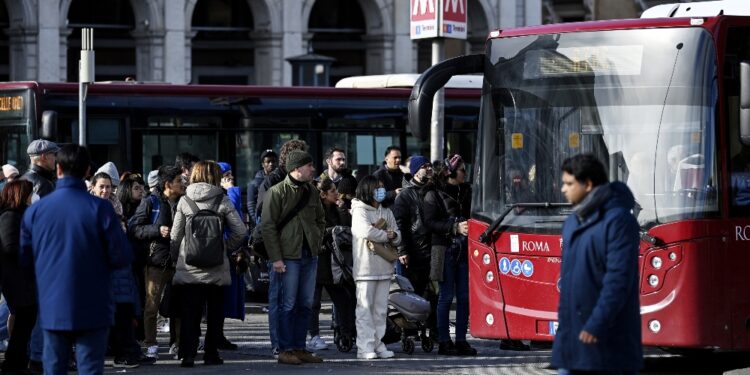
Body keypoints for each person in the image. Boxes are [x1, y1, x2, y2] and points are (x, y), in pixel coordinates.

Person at [20, 144, 133, 375]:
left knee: (53, 367)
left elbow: (25, 258)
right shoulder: (101, 209)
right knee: (90, 367)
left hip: (52, 302)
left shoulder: (36, 211)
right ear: (87, 172)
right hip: (94, 302)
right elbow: (121, 256)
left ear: (58, 169)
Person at [552, 154, 642, 374]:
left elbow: (617, 281)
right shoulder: (573, 221)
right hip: (572, 344)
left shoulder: (619, 220)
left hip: (608, 342)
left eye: (569, 183)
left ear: (588, 184)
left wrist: (596, 324)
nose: (563, 189)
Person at [170, 160, 246, 367]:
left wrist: (177, 256)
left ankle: (187, 354)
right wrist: (224, 248)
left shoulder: (185, 200)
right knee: (215, 313)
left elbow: (175, 236)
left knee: (190, 313)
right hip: (216, 266)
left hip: (190, 267)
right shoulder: (222, 199)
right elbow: (240, 231)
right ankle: (211, 354)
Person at [261, 150, 325, 365]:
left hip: (309, 254)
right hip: (287, 256)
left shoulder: (312, 191)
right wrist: (276, 258)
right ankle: (284, 348)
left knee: (305, 303)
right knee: (286, 304)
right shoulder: (276, 192)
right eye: (309, 166)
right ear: (297, 168)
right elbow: (267, 228)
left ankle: (299, 347)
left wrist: (316, 241)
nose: (313, 169)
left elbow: (320, 220)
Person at [255, 139, 307, 358]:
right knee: (278, 299)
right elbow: (262, 213)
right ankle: (279, 345)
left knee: (298, 300)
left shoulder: (306, 181)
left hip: (301, 247)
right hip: (279, 247)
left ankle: (295, 344)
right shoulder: (272, 181)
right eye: (302, 156)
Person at [129, 165, 185, 361]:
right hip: (155, 261)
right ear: (168, 184)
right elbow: (134, 228)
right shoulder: (151, 201)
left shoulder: (184, 201)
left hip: (179, 260)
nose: (182, 183)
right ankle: (151, 343)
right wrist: (156, 230)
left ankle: (177, 343)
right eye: (179, 181)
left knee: (178, 305)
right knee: (152, 305)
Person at [424, 155, 476, 356]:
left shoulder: (467, 190)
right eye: (463, 169)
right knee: (445, 296)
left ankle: (461, 339)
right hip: (445, 250)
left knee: (464, 297)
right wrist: (454, 227)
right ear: (451, 173)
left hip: (464, 250)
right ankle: (444, 341)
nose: (465, 173)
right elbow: (429, 223)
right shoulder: (432, 194)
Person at [351, 175, 401, 360]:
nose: (381, 191)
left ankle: (379, 345)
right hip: (366, 269)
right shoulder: (359, 211)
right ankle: (364, 347)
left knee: (380, 310)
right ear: (368, 189)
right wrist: (387, 235)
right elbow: (364, 231)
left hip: (384, 267)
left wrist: (393, 235)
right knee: (365, 309)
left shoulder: (386, 210)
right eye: (377, 188)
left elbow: (397, 233)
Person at [306, 178, 354, 352]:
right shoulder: (315, 209)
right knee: (314, 301)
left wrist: (342, 209)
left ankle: (346, 333)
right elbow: (316, 231)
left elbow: (346, 228)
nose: (337, 193)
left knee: (343, 299)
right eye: (333, 191)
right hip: (319, 260)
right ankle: (314, 335)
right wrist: (331, 232)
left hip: (335, 263)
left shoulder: (336, 208)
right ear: (323, 194)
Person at [392, 155, 437, 334]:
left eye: (429, 165)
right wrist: (402, 250)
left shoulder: (433, 190)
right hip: (414, 251)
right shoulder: (405, 195)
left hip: (432, 250)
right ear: (415, 171)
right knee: (413, 293)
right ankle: (411, 331)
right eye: (424, 166)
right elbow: (400, 223)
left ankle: (432, 329)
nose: (428, 168)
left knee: (433, 293)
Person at [0, 180, 37, 373]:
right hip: (16, 279)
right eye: (30, 193)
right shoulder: (10, 216)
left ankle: (16, 362)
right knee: (23, 321)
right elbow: (9, 247)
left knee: (25, 322)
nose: (33, 197)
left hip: (23, 278)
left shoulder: (21, 215)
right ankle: (13, 364)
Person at [216, 161, 245, 350]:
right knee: (219, 297)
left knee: (226, 297)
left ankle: (219, 334)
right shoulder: (223, 195)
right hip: (222, 250)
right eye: (226, 175)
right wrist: (232, 191)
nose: (230, 179)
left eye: (231, 174)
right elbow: (232, 216)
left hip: (232, 249)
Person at [247, 149, 277, 225]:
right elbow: (251, 206)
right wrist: (258, 224)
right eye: (268, 162)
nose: (271, 164)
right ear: (263, 164)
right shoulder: (254, 184)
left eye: (273, 161)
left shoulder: (280, 180)